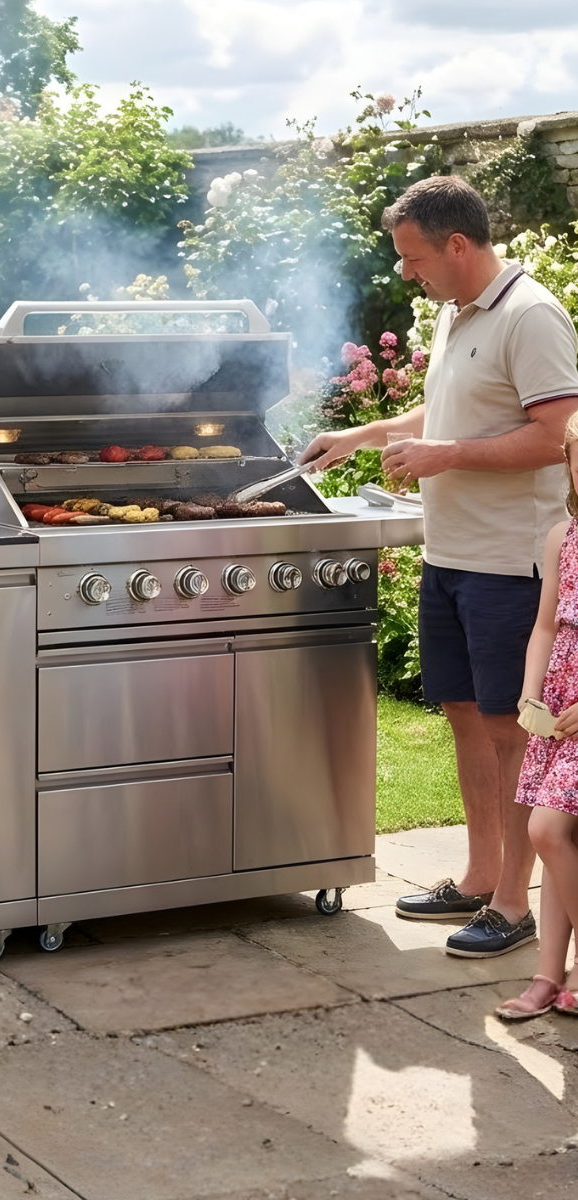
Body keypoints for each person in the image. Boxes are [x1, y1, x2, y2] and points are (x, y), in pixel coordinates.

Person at [302, 175, 578, 958]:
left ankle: (515, 906)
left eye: (413, 257)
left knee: (508, 727)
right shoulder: (460, 314)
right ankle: (479, 874)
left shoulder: (530, 314)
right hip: (451, 554)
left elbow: (555, 431)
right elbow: (454, 410)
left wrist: (442, 456)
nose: (405, 273)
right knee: (462, 715)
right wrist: (363, 438)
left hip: (510, 560)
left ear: (458, 245)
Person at [496, 411, 578, 1019]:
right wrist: (530, 694)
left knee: (546, 831)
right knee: (558, 843)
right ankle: (549, 976)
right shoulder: (563, 538)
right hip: (555, 710)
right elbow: (546, 624)